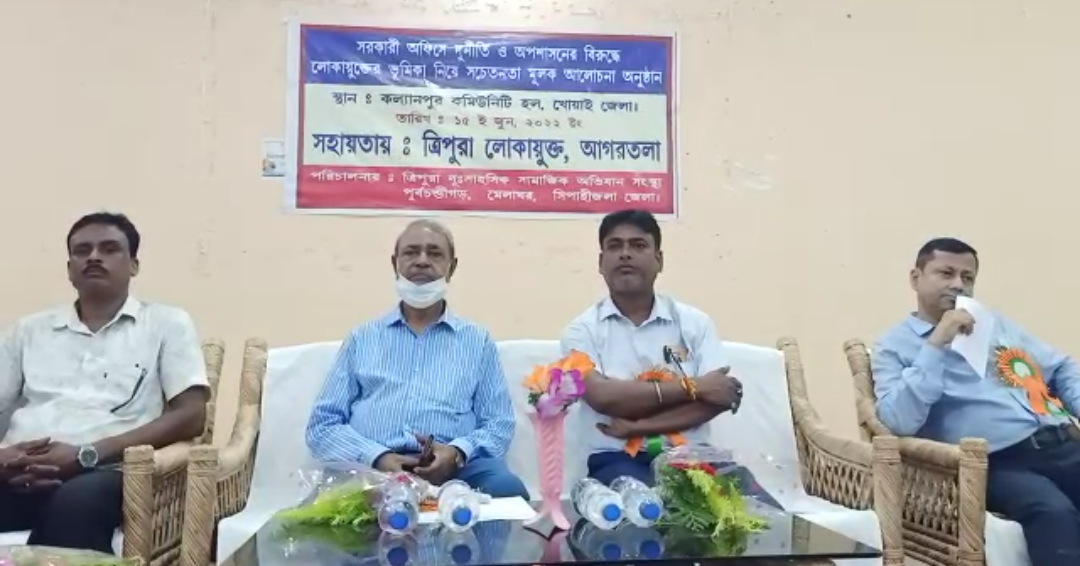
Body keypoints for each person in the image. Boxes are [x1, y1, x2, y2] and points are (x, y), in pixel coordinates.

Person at [0, 212, 210, 554]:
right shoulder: (29, 331)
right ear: (70, 269)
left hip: (107, 471)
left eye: (109, 248)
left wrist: (87, 454)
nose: (94, 257)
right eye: (82, 250)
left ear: (133, 265)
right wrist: (4, 459)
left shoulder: (166, 324)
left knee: (75, 504)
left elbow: (192, 415)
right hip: (19, 471)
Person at [872, 237, 1080, 566]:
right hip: (997, 462)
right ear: (916, 278)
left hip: (1061, 442)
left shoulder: (993, 325)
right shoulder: (893, 346)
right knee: (1053, 512)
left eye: (967, 277)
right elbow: (897, 420)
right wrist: (937, 343)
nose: (958, 284)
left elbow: (1061, 367)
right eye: (946, 273)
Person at [559, 209, 777, 506]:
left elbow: (719, 397)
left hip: (695, 458)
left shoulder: (695, 324)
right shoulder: (581, 331)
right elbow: (602, 396)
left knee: (765, 516)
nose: (625, 254)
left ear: (659, 260)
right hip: (617, 459)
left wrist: (637, 427)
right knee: (653, 516)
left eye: (638, 245)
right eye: (614, 246)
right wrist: (695, 387)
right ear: (601, 262)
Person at [306, 219, 528, 499]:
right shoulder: (362, 338)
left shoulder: (477, 341)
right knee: (306, 516)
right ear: (395, 263)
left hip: (457, 471)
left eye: (435, 253)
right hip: (369, 468)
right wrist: (377, 456)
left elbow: (498, 424)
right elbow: (322, 426)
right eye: (411, 252)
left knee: (507, 489)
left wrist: (456, 453)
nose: (422, 261)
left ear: (452, 267)